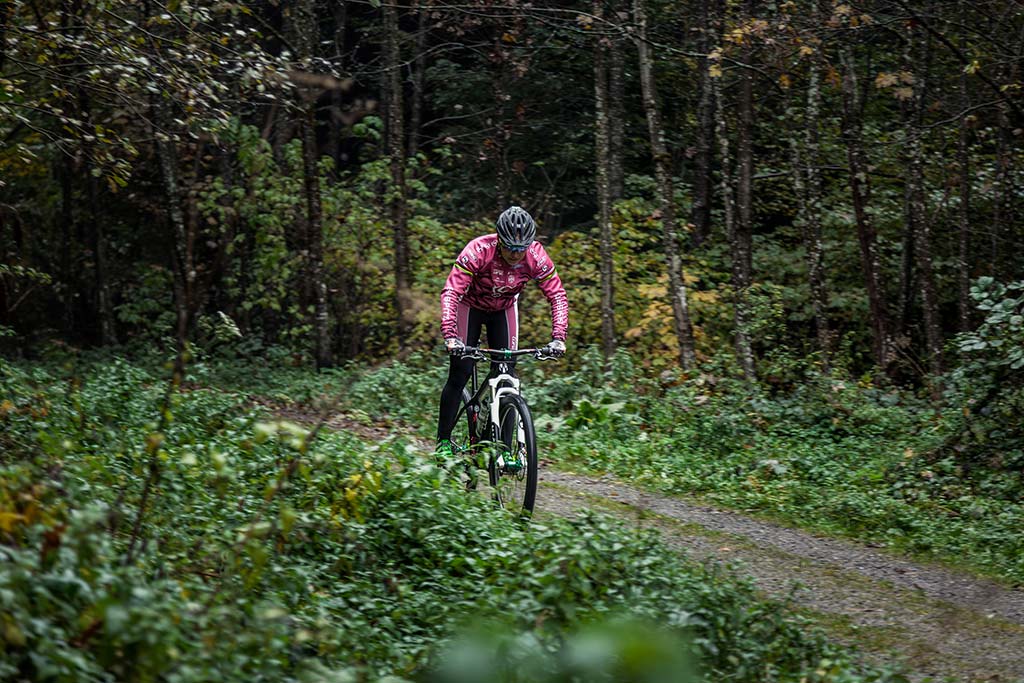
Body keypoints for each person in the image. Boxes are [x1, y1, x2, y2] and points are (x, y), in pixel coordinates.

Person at [436, 206, 568, 459]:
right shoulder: (478, 250)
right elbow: (451, 292)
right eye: (510, 248)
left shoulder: (536, 256)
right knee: (461, 371)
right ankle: (443, 440)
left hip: (504, 310)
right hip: (470, 306)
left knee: (506, 375)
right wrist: (450, 335)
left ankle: (504, 451)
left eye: (521, 249)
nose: (516, 254)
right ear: (499, 240)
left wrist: (558, 337)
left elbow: (557, 295)